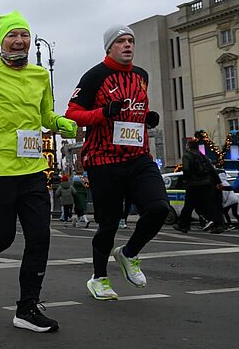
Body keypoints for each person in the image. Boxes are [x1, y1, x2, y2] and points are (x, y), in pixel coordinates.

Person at [0, 10, 77, 333]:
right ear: (1, 41)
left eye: (24, 35)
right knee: (1, 237)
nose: (19, 40)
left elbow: (45, 115)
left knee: (40, 236)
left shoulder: (39, 76)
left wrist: (60, 123)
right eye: (12, 35)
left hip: (33, 167)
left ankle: (27, 307)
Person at [65, 24, 168, 302]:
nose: (128, 45)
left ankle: (129, 253)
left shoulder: (141, 75)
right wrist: (102, 113)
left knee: (159, 208)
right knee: (108, 224)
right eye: (121, 41)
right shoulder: (95, 76)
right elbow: (72, 114)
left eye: (131, 41)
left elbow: (136, 108)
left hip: (138, 157)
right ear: (109, 47)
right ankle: (99, 278)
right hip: (104, 160)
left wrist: (147, 118)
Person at [173, 139, 224, 234]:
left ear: (188, 146)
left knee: (188, 206)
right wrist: (218, 182)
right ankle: (218, 225)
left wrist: (186, 181)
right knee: (210, 205)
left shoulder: (187, 156)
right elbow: (212, 170)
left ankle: (183, 225)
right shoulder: (203, 156)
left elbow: (186, 169)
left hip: (193, 184)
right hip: (206, 184)